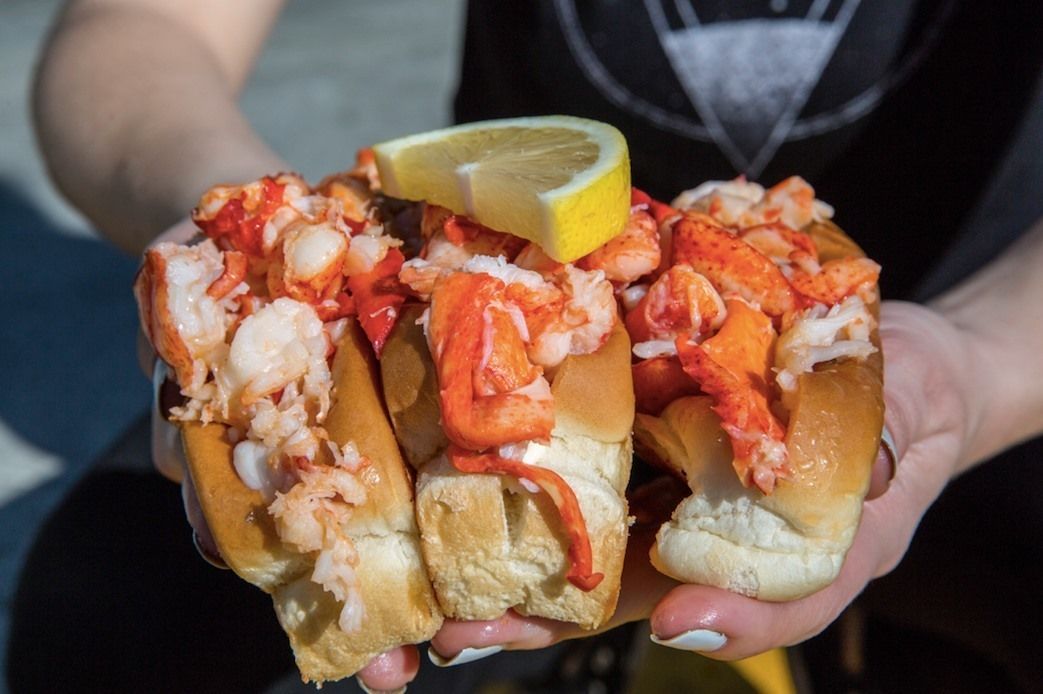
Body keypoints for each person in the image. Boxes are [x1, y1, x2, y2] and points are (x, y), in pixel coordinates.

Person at [21, 0, 1043, 691]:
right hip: (455, 279)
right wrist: (257, 234)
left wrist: (979, 360)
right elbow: (136, 31)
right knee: (101, 610)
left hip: (992, 324)